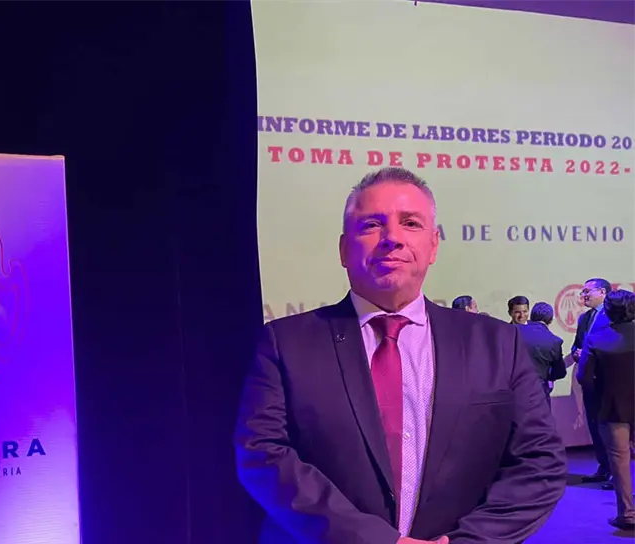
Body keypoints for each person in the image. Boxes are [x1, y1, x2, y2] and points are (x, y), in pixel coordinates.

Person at [235, 167, 566, 544]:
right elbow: (263, 455)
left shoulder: (497, 343)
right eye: (371, 225)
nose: (392, 238)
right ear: (344, 249)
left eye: (410, 223)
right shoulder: (286, 343)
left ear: (433, 245)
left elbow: (540, 463)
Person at [577, 289, 635, 529]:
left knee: (620, 463)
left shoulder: (596, 339)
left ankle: (628, 515)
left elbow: (584, 377)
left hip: (612, 408)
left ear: (608, 311)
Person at [571, 277, 612, 486]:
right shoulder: (584, 318)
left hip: (607, 382)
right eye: (583, 291)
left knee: (609, 428)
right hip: (589, 382)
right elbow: (576, 344)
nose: (583, 295)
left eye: (588, 291)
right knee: (594, 425)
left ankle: (616, 472)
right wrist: (576, 353)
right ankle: (603, 467)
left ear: (603, 292)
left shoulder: (613, 315)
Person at [518, 302, 567, 404]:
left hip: (515, 390)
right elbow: (560, 372)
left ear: (531, 316)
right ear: (550, 320)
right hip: (539, 393)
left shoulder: (516, 331)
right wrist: (549, 375)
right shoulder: (554, 341)